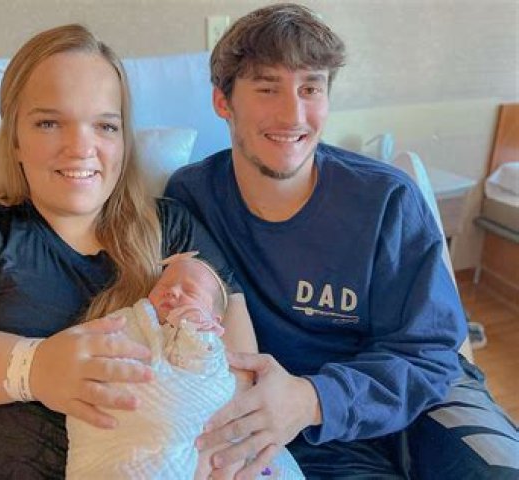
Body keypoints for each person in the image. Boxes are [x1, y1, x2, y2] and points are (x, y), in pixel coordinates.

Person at [0, 24, 258, 478]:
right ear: (14, 138)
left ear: (123, 140)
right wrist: (34, 368)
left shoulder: (171, 230)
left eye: (105, 126)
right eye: (49, 123)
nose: (81, 147)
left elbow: (237, 360)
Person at [165, 3, 519, 479]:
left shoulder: (387, 200)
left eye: (311, 88)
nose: (293, 114)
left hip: (416, 394)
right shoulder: (192, 198)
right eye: (267, 88)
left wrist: (316, 398)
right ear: (223, 102)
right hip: (294, 421)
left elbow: (432, 352)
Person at [66, 253, 304, 479]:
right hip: (119, 430)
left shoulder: (209, 348)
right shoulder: (130, 321)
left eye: (190, 291)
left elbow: (205, 376)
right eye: (164, 285)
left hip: (183, 432)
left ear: (215, 320)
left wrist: (194, 334)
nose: (173, 291)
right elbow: (94, 346)